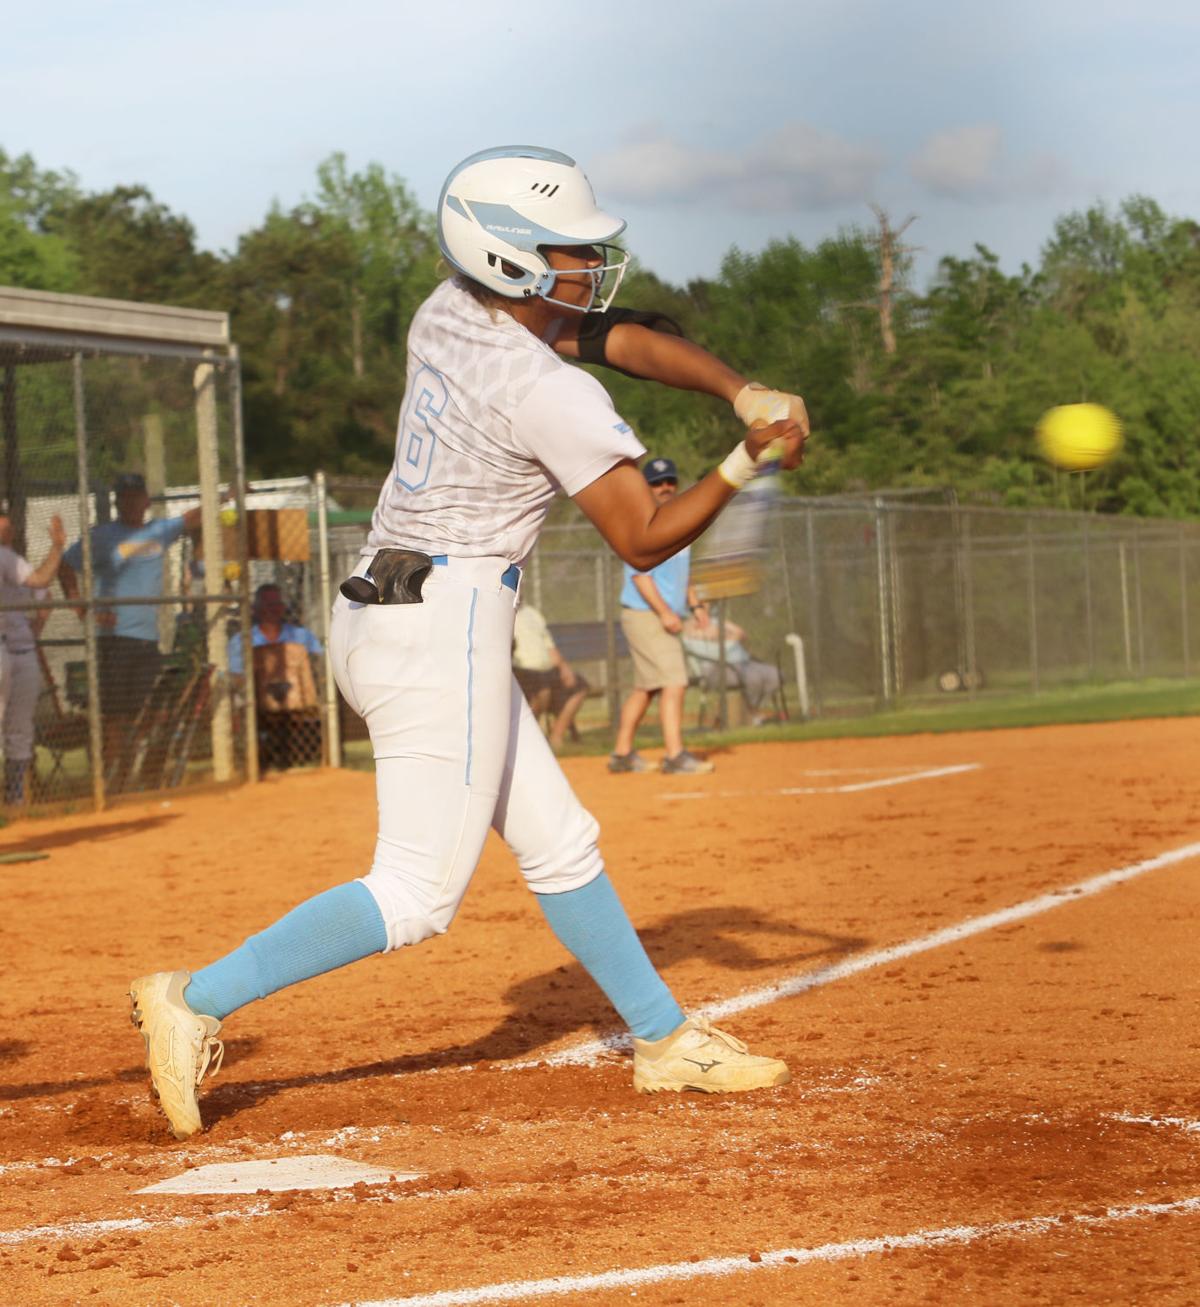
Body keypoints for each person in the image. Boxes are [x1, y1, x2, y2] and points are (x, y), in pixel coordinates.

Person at [129, 144, 808, 1140]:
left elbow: (615, 335)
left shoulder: (446, 311)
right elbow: (643, 532)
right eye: (570, 251)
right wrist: (745, 454)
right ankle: (195, 995)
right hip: (440, 627)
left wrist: (738, 389)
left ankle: (664, 1039)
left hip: (396, 610)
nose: (589, 266)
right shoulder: (545, 390)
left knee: (560, 838)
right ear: (510, 261)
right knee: (414, 888)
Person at [59, 473, 201, 788]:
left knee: (144, 712)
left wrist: (228, 495)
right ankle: (110, 780)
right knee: (114, 714)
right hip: (113, 639)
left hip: (146, 639)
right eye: (124, 496)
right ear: (117, 501)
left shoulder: (158, 531)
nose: (131, 501)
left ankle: (132, 775)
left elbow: (192, 517)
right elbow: (66, 566)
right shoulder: (102, 536)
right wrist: (81, 607)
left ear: (147, 501)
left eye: (136, 495)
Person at [609, 456, 713, 775]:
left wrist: (694, 605)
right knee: (674, 680)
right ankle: (675, 756)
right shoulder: (642, 520)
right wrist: (666, 613)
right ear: (646, 488)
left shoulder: (679, 521)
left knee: (648, 687)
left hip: (655, 614)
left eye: (669, 481)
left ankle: (622, 755)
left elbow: (682, 573)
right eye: (656, 483)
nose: (664, 487)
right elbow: (640, 576)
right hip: (646, 614)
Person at [0, 509, 67, 804]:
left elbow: (44, 596)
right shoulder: (5, 557)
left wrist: (34, 632)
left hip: (21, 650)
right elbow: (41, 581)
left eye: (7, 527)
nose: (6, 532)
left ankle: (16, 798)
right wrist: (57, 548)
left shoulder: (14, 560)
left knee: (20, 728)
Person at [228, 583, 324, 770]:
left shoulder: (301, 636)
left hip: (300, 698)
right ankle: (258, 757)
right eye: (267, 605)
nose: (273, 609)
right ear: (256, 610)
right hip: (257, 701)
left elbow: (320, 666)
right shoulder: (241, 640)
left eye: (277, 604)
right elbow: (236, 677)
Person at [682, 601, 782, 726]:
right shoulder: (687, 629)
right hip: (715, 670)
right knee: (753, 678)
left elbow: (741, 633)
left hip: (742, 663)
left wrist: (722, 634)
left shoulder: (716, 622)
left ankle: (751, 708)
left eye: (706, 604)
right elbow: (718, 651)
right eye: (700, 605)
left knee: (775, 675)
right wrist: (729, 638)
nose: (704, 608)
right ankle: (754, 714)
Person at [512, 601, 589, 751]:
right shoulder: (504, 610)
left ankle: (556, 736)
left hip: (546, 670)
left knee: (579, 687)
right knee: (543, 688)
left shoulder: (531, 612)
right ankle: (528, 739)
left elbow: (549, 646)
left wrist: (564, 668)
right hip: (521, 670)